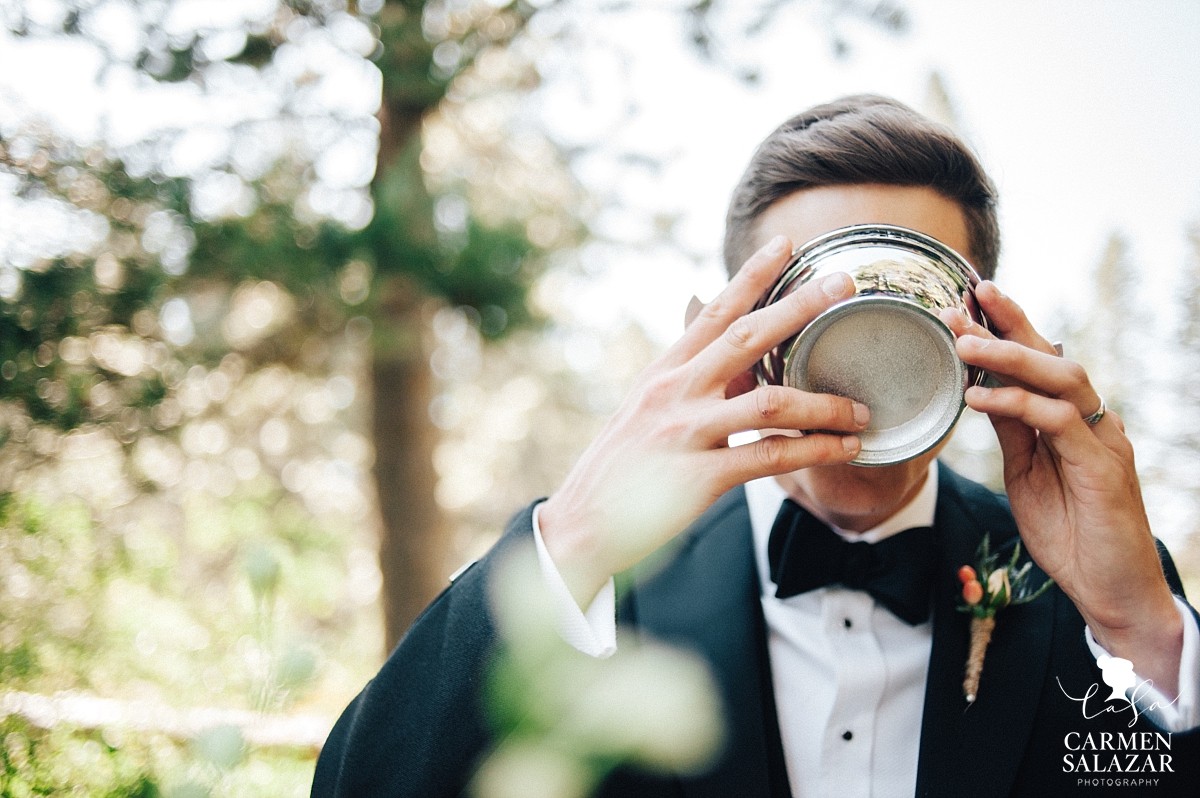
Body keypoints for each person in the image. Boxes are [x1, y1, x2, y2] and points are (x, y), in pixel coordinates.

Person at [312, 96, 1200, 798]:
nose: (854, 360)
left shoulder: (1101, 596)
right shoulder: (597, 583)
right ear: (728, 328)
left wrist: (1143, 630)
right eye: (810, 303)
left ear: (982, 333)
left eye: (909, 297)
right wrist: (576, 533)